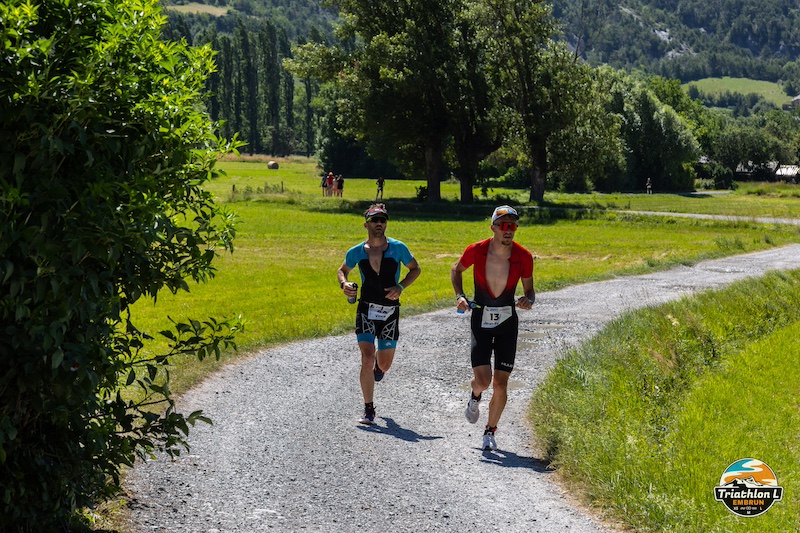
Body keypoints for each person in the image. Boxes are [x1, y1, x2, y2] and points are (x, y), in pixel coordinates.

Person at [450, 205, 535, 451]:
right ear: (493, 228)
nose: (508, 231)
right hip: (481, 320)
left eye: (513, 226)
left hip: (508, 322)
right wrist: (460, 295)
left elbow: (529, 290)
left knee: (501, 383)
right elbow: (456, 269)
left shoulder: (524, 256)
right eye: (504, 225)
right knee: (483, 381)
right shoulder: (476, 251)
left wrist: (528, 300)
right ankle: (475, 397)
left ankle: (490, 431)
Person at [337, 204, 421, 425]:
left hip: (390, 311)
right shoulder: (356, 251)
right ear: (366, 224)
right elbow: (342, 270)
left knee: (383, 365)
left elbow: (415, 268)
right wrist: (345, 284)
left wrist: (400, 287)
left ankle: (378, 367)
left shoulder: (398, 248)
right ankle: (368, 409)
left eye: (382, 220)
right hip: (366, 309)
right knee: (366, 356)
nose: (379, 224)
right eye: (375, 221)